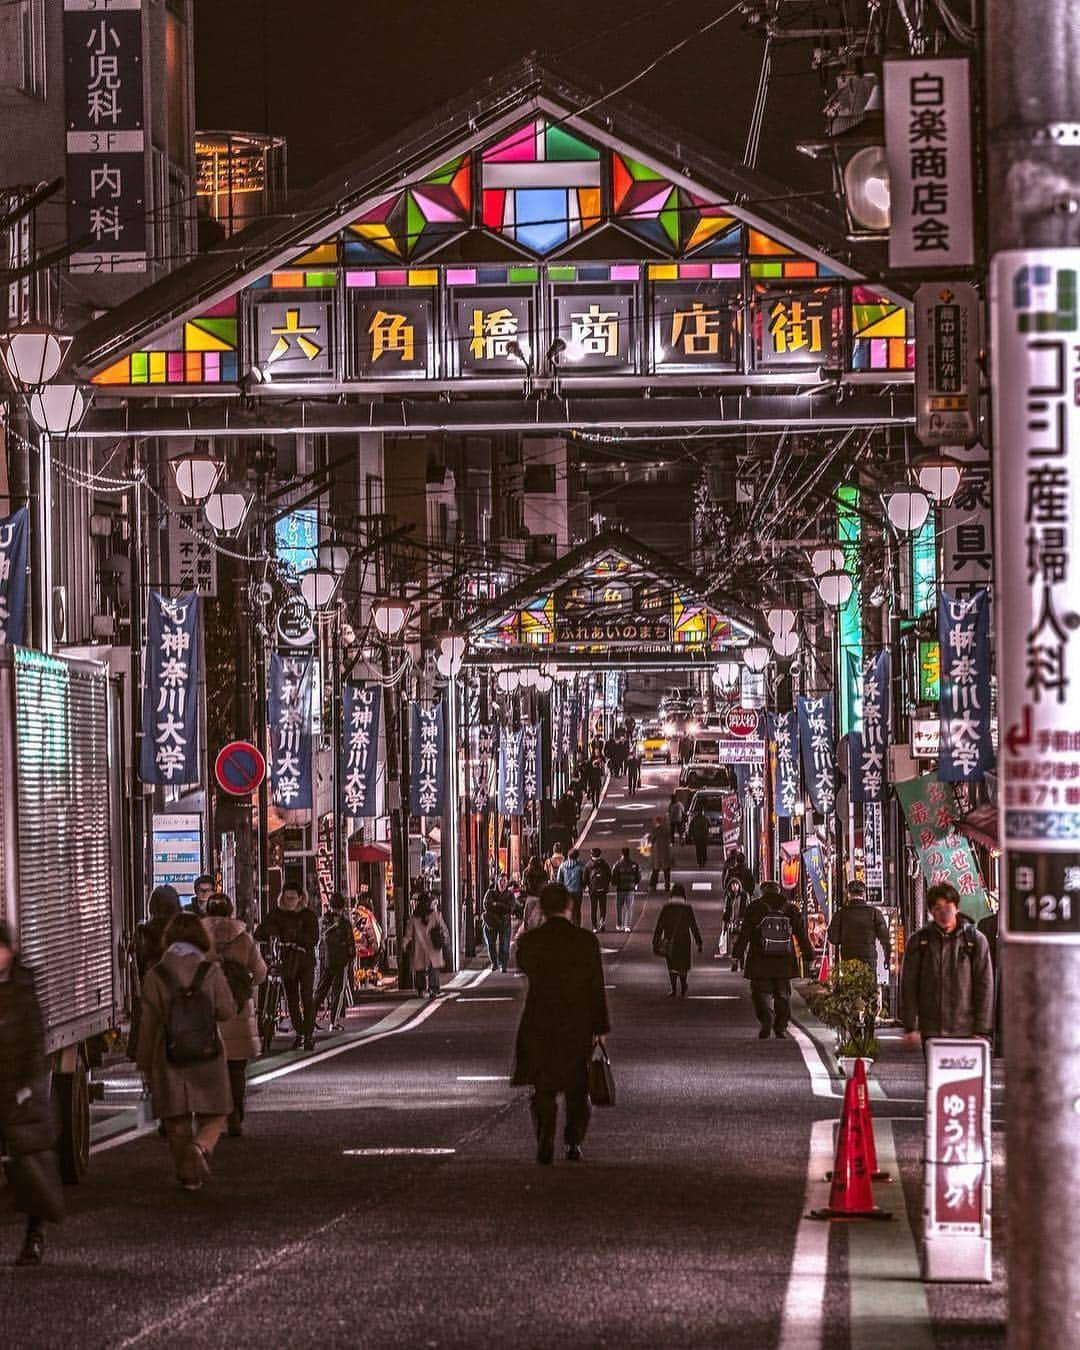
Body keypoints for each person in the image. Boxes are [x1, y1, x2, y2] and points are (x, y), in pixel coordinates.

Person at [135, 912, 235, 1190]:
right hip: (208, 1053)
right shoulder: (210, 971)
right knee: (216, 1112)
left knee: (176, 1120)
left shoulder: (156, 974)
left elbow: (148, 1023)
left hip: (169, 1055)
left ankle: (187, 1174)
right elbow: (227, 1010)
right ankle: (200, 1148)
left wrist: (144, 1063)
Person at [512, 883, 610, 1165]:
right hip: (576, 1022)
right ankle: (573, 1141)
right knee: (577, 1086)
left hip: (539, 1020)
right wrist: (599, 1028)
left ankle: (545, 1135)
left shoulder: (532, 942)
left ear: (542, 908)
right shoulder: (585, 942)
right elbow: (596, 987)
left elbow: (523, 962)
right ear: (569, 906)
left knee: (543, 1085)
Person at [0, 920, 61, 1266]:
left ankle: (34, 1236)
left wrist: (28, 1085)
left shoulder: (23, 987)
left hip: (18, 1090)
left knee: (29, 1168)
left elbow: (34, 1039)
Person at [202, 894, 267, 1137]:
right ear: (231, 911)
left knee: (208, 1069)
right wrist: (247, 985)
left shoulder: (198, 938)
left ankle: (211, 1118)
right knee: (236, 1070)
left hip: (207, 1010)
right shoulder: (243, 938)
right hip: (238, 1009)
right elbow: (260, 972)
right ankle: (235, 1117)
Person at [901, 883, 994, 1048]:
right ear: (931, 911)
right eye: (938, 908)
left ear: (957, 908)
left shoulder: (975, 940)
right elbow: (909, 985)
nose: (944, 913)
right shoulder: (920, 941)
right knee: (935, 1073)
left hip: (966, 1030)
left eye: (948, 907)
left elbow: (985, 986)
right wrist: (911, 1026)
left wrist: (982, 1029)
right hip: (931, 1030)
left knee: (965, 1074)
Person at [732, 880, 811, 1039]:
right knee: (782, 994)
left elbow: (745, 933)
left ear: (762, 892)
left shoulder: (754, 908)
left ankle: (766, 1020)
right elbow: (801, 935)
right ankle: (780, 1026)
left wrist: (737, 953)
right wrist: (808, 954)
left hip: (760, 959)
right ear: (778, 891)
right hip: (784, 960)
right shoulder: (790, 908)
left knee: (759, 993)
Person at [254, 886, 320, 1051]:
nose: (290, 902)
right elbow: (261, 932)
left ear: (300, 898)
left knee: (306, 996)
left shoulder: (308, 915)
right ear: (282, 898)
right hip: (286, 961)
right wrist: (271, 933)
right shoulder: (276, 914)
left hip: (304, 961)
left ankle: (308, 1034)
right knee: (292, 999)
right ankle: (300, 1032)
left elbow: (313, 938)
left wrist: (297, 938)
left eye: (293, 898)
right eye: (287, 898)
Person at [827, 879, 891, 977]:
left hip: (848, 961)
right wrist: (887, 957)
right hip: (869, 962)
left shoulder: (840, 914)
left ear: (848, 894)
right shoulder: (874, 913)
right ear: (864, 894)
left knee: (851, 989)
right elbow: (885, 939)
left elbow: (833, 938)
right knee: (868, 989)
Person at [652, 883, 703, 997]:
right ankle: (684, 985)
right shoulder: (687, 908)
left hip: (670, 940)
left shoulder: (667, 908)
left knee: (672, 965)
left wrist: (656, 940)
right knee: (683, 965)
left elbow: (660, 925)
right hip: (684, 940)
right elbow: (693, 926)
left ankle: (674, 988)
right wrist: (699, 942)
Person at [314, 893, 357, 1031]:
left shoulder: (323, 921)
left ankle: (310, 1018)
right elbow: (351, 944)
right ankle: (334, 1022)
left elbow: (319, 941)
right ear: (342, 907)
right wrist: (351, 958)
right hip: (340, 961)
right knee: (338, 991)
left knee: (321, 990)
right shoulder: (344, 923)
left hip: (325, 960)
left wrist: (321, 957)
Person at [403, 893, 449, 998]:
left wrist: (404, 945)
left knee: (420, 970)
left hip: (420, 948)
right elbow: (444, 929)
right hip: (433, 947)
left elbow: (408, 934)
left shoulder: (414, 918)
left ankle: (421, 990)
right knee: (433, 969)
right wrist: (446, 940)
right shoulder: (435, 915)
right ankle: (433, 989)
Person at [482, 875, 517, 972]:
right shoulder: (490, 892)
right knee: (491, 944)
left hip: (504, 922)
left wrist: (496, 904)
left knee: (504, 944)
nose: (503, 883)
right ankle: (494, 963)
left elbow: (510, 908)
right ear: (497, 882)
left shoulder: (510, 894)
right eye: (501, 881)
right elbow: (486, 905)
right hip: (492, 922)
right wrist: (502, 907)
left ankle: (504, 964)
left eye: (505, 881)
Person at [583, 847, 612, 933]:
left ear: (591, 855)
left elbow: (584, 878)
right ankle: (602, 922)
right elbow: (609, 875)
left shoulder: (588, 865)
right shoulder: (605, 864)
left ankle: (594, 926)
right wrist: (606, 885)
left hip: (593, 890)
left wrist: (587, 886)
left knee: (593, 908)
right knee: (603, 907)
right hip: (603, 889)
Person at [612, 847, 641, 932]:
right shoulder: (634, 864)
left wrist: (615, 884)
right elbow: (638, 876)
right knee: (629, 908)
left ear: (621, 854)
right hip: (630, 888)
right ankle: (627, 926)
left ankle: (619, 925)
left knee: (619, 907)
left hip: (620, 888)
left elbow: (614, 876)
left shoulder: (617, 864)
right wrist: (635, 883)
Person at [557, 848, 586, 926]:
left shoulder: (562, 866)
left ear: (568, 856)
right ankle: (577, 926)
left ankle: (568, 926)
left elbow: (559, 880)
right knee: (577, 910)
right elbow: (584, 879)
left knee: (568, 910)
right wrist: (583, 886)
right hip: (577, 891)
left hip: (566, 891)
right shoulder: (580, 866)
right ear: (577, 856)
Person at [647, 816, 673, 892]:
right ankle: (667, 886)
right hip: (665, 852)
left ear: (656, 822)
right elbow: (670, 840)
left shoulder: (655, 830)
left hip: (657, 853)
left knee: (655, 871)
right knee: (666, 871)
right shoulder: (666, 830)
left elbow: (651, 840)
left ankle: (653, 886)